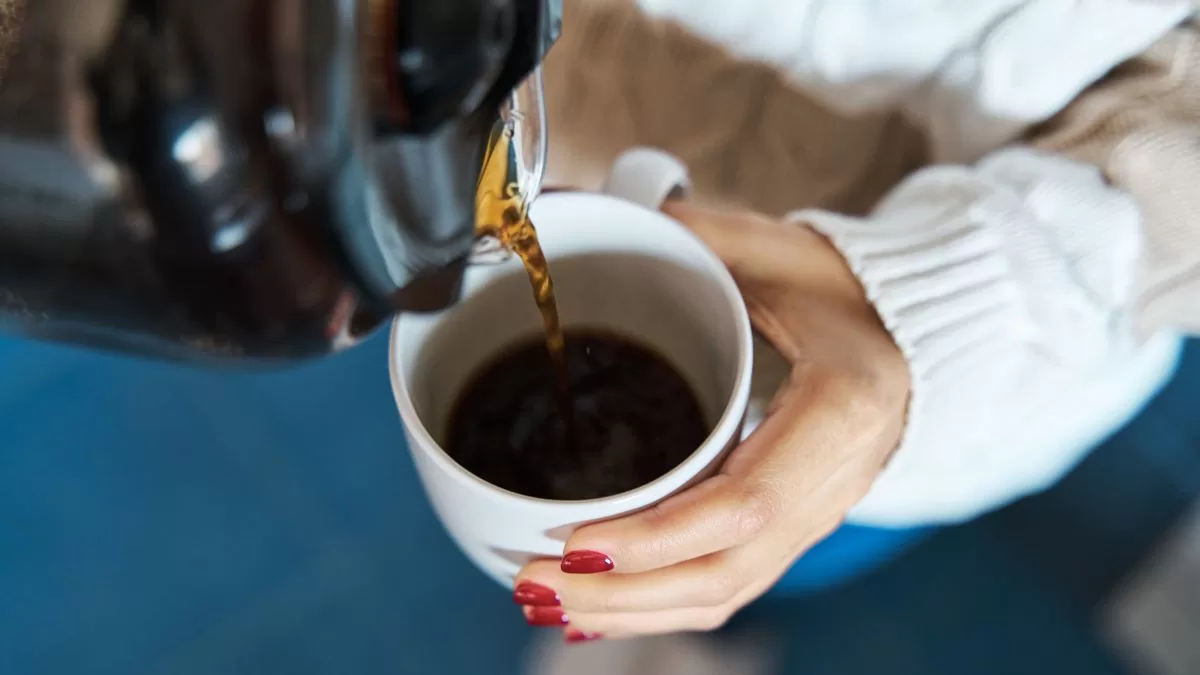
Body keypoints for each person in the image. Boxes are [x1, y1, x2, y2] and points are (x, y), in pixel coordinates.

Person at [510, 0, 1200, 646]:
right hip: (570, 91)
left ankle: (696, 634)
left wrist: (940, 299)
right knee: (694, 547)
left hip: (967, 356)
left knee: (781, 543)